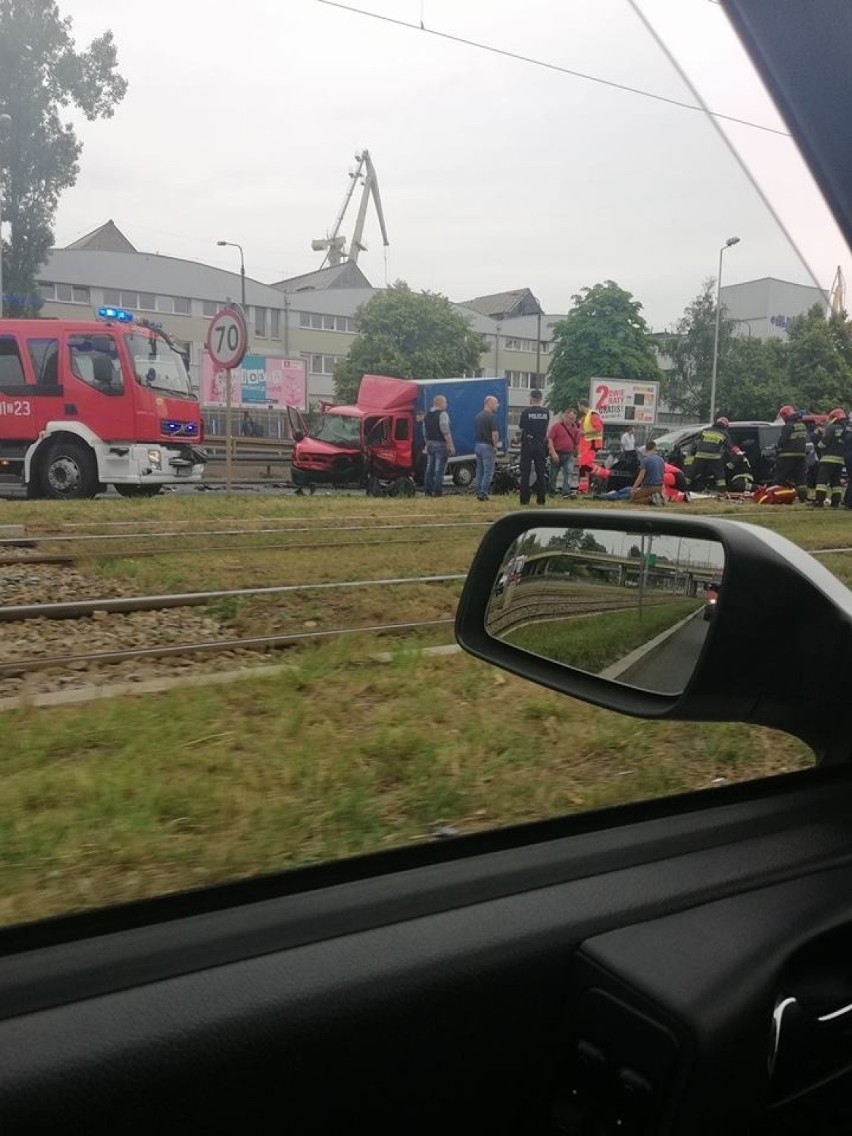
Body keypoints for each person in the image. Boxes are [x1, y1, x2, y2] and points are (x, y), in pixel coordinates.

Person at [517, 390, 550, 506]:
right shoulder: (546, 412)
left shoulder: (526, 412)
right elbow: (545, 429)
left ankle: (524, 499)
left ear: (531, 398)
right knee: (541, 472)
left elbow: (521, 428)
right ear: (541, 399)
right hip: (540, 443)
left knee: (525, 472)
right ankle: (541, 499)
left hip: (528, 443)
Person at [687, 416, 733, 493]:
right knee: (719, 474)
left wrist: (693, 452)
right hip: (714, 457)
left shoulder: (705, 430)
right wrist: (727, 456)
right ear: (725, 426)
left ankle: (684, 488)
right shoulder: (724, 433)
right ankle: (721, 491)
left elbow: (695, 443)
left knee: (691, 472)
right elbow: (729, 446)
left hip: (700, 456)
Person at [813, 406, 848, 508]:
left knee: (821, 481)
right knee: (836, 482)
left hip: (828, 459)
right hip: (840, 460)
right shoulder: (845, 429)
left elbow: (824, 443)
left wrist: (817, 447)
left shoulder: (831, 428)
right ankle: (835, 502)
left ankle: (819, 501)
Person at [773, 405, 808, 501]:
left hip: (787, 456)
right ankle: (803, 497)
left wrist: (777, 448)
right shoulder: (802, 425)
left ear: (786, 416)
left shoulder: (788, 426)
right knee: (800, 478)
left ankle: (776, 495)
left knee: (781, 476)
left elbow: (782, 442)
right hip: (801, 456)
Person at [422, 395, 455, 497]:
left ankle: (428, 491)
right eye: (445, 402)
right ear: (440, 403)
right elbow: (445, 430)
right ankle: (437, 492)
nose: (447, 404)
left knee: (429, 468)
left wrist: (426, 445)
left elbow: (424, 432)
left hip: (430, 443)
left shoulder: (426, 415)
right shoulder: (443, 414)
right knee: (439, 470)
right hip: (440, 443)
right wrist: (451, 445)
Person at [547, 409, 580, 497]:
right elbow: (550, 439)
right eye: (569, 418)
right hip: (557, 453)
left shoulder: (575, 428)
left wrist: (578, 454)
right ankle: (551, 491)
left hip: (568, 454)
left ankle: (566, 491)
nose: (571, 420)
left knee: (569, 472)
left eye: (573, 418)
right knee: (553, 474)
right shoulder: (557, 426)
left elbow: (576, 443)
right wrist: (553, 452)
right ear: (565, 416)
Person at [473, 395, 501, 502]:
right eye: (496, 403)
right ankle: (483, 494)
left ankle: (478, 491)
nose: (497, 405)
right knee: (488, 472)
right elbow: (494, 434)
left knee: (479, 471)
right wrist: (495, 446)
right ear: (489, 403)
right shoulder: (492, 417)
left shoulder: (478, 416)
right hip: (487, 446)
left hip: (478, 445)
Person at [630, 440, 666, 505]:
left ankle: (651, 499)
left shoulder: (645, 460)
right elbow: (662, 475)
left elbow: (641, 476)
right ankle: (657, 498)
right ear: (655, 448)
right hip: (659, 487)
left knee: (633, 499)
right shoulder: (661, 460)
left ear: (646, 448)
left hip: (649, 487)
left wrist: (633, 488)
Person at [577, 399, 604, 481]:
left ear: (581, 405)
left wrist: (585, 432)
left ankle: (605, 473)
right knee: (583, 465)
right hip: (586, 444)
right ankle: (583, 488)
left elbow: (599, 428)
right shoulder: (586, 416)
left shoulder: (593, 415)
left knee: (585, 464)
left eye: (578, 406)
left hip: (592, 444)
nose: (578, 408)